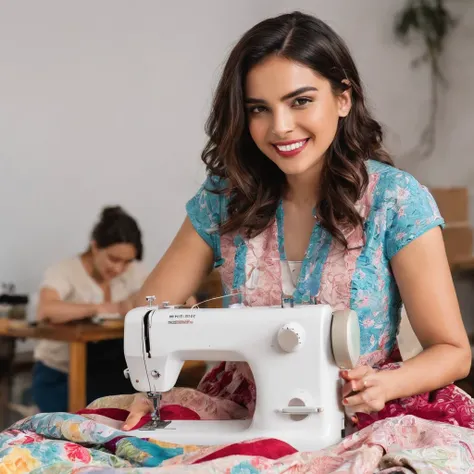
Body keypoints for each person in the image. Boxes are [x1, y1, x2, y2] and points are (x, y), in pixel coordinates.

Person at [121, 11, 474, 431]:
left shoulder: (395, 200)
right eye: (259, 109)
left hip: (363, 411)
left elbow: (453, 350)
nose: (281, 127)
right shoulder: (224, 199)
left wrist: (383, 384)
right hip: (242, 412)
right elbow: (148, 313)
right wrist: (151, 388)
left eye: (300, 101)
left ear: (343, 98)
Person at [32, 206, 148, 412]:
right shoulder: (65, 271)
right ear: (95, 247)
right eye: (113, 259)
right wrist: (102, 308)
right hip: (60, 376)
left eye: (127, 262)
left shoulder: (132, 273)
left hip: (106, 372)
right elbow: (46, 309)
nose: (119, 269)